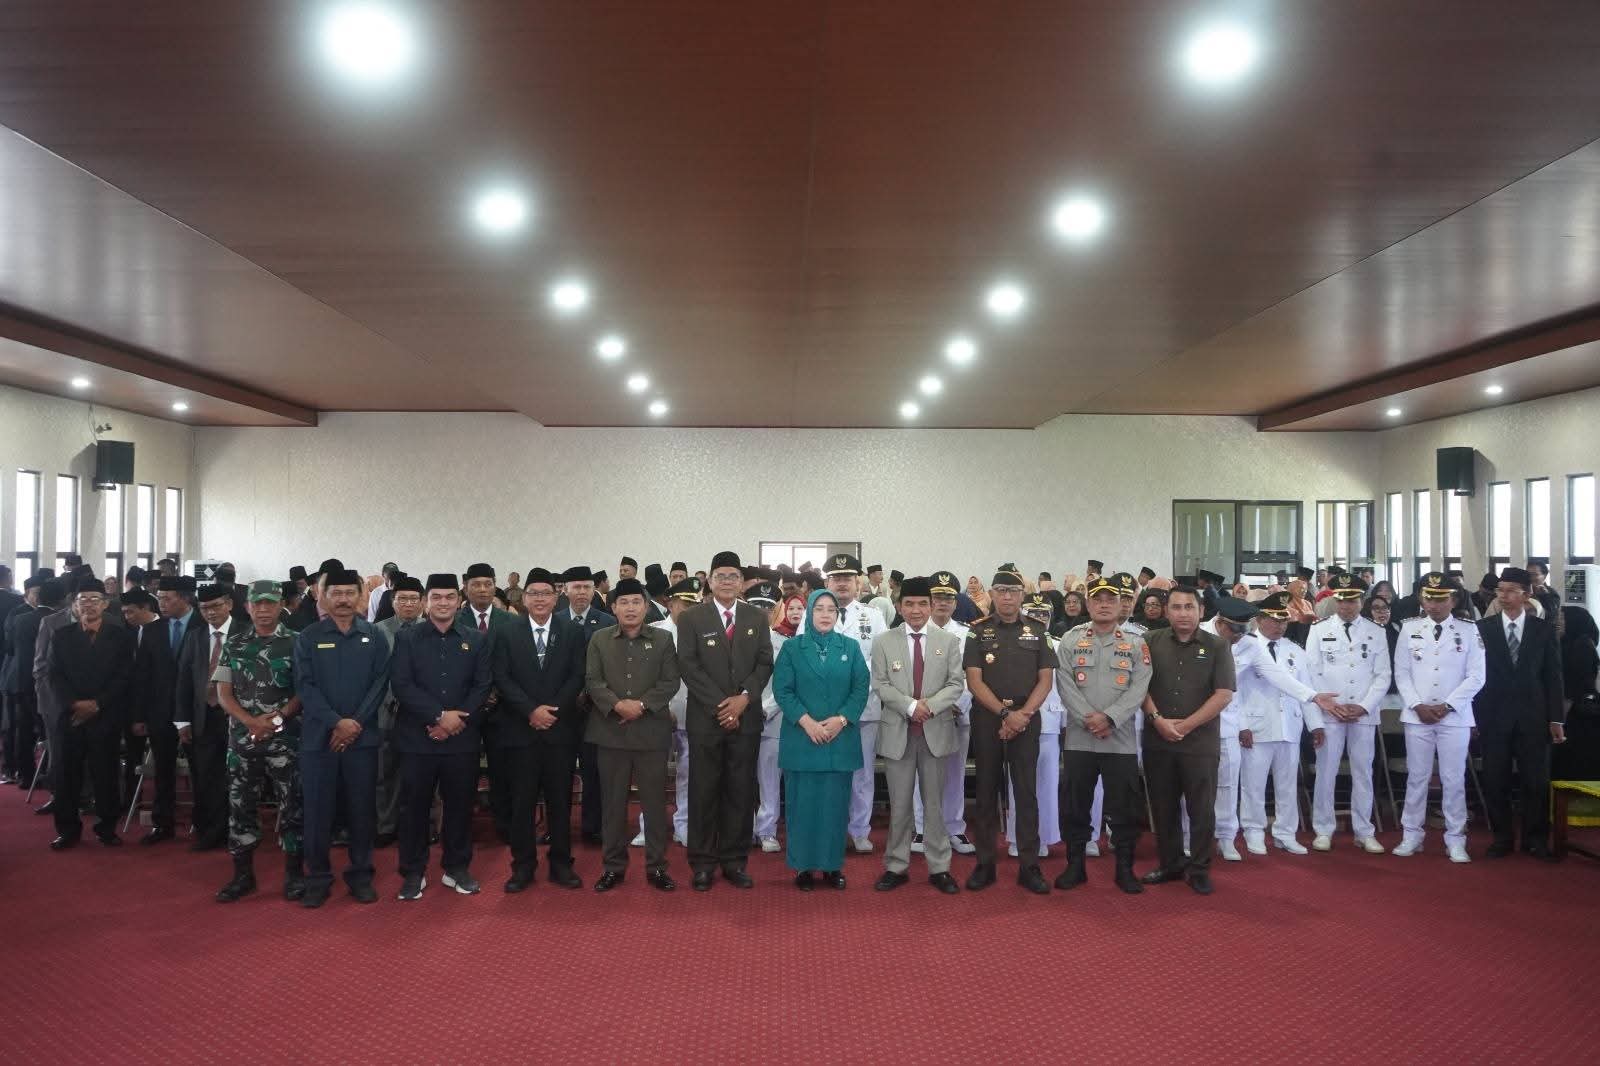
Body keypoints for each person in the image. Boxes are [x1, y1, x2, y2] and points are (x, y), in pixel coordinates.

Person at [674, 552, 775, 891]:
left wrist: (743, 699)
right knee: (703, 791)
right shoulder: (691, 618)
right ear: (710, 580)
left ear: (742, 582)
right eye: (721, 575)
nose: (727, 581)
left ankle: (734, 861)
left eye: (733, 576)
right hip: (707, 719)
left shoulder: (756, 616)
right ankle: (702, 863)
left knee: (740, 791)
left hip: (745, 719)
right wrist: (723, 707)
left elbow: (764, 663)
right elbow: (688, 666)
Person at [293, 568, 391, 908]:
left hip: (362, 741)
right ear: (323, 596)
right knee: (317, 812)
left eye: (350, 592)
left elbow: (380, 683)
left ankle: (361, 875)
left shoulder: (374, 636)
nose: (344, 599)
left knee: (361, 811)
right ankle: (317, 878)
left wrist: (353, 724)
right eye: (336, 593)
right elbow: (305, 686)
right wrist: (336, 722)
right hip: (318, 741)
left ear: (361, 596)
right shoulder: (308, 637)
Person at [391, 574, 493, 900]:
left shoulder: (475, 639)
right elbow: (402, 684)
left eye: (450, 597)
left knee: (460, 806)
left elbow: (482, 685)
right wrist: (438, 717)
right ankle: (413, 872)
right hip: (417, 738)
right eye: (436, 597)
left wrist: (454, 720)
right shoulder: (407, 638)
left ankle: (457, 868)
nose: (444, 603)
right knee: (414, 808)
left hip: (461, 738)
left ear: (459, 601)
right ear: (426, 602)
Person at [489, 568, 586, 891]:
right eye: (534, 594)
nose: (540, 599)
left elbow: (577, 675)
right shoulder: (506, 631)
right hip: (521, 730)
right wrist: (531, 710)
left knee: (560, 802)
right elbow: (501, 677)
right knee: (522, 803)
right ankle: (523, 866)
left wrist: (551, 710)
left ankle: (561, 864)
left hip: (559, 730)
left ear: (556, 597)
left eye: (546, 593)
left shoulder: (571, 631)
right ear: (524, 598)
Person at [1056, 573, 1152, 894]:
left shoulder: (1136, 643)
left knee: (1124, 809)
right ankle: (1075, 865)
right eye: (1098, 599)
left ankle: (1124, 868)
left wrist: (1110, 718)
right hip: (1079, 738)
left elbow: (1140, 687)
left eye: (1112, 599)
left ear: (1123, 604)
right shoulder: (1070, 640)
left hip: (1119, 740)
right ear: (1088, 604)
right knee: (1075, 806)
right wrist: (1089, 718)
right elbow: (1064, 684)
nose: (1105, 605)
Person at [963, 570, 1057, 894]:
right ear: (991, 593)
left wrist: (1022, 715)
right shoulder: (977, 631)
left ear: (1022, 595)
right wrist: (1005, 715)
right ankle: (985, 864)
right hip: (988, 720)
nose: (1007, 596)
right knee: (986, 793)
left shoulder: (1038, 631)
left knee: (1026, 793)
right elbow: (974, 681)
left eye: (1013, 591)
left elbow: (1046, 680)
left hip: (1026, 721)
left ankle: (1029, 866)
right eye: (1001, 590)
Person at [870, 577, 965, 895]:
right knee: (899, 805)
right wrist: (911, 707)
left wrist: (930, 707)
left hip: (935, 732)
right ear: (899, 607)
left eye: (922, 604)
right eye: (909, 604)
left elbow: (955, 683)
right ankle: (896, 865)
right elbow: (880, 684)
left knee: (934, 804)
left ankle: (940, 867)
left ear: (931, 606)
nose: (916, 610)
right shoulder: (884, 641)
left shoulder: (948, 641)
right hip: (898, 733)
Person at [585, 578, 681, 893]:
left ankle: (657, 867)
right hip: (610, 734)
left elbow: (670, 681)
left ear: (646, 606)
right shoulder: (599, 639)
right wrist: (617, 705)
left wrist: (640, 706)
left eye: (636, 602)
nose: (630, 608)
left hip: (650, 734)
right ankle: (613, 867)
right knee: (613, 805)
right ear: (613, 607)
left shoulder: (663, 639)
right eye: (623, 603)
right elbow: (593, 681)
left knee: (654, 805)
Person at [1139, 586, 1237, 895]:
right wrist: (1158, 720)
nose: (1183, 613)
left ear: (1201, 611)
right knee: (1163, 807)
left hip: (1200, 743)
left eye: (1189, 607)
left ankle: (1199, 868)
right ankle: (1170, 864)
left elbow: (1223, 694)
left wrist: (1185, 725)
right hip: (1158, 739)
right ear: (1166, 611)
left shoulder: (1218, 646)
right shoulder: (1148, 641)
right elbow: (1138, 686)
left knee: (1202, 808)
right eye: (1176, 607)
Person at [212, 580, 305, 902]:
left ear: (281, 605)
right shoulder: (234, 644)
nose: (264, 609)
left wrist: (276, 720)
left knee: (293, 807)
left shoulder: (297, 643)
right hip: (243, 741)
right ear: (247, 607)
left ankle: (294, 875)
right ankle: (243, 876)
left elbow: (303, 691)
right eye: (257, 603)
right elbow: (223, 694)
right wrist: (252, 722)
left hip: (286, 741)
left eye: (270, 603)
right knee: (240, 807)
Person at [773, 589, 869, 891]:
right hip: (803, 740)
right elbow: (782, 690)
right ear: (809, 613)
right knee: (802, 807)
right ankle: (803, 867)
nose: (825, 614)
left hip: (839, 740)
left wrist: (842, 719)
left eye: (831, 609)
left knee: (834, 808)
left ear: (837, 615)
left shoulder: (850, 647)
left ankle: (831, 866)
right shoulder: (792, 648)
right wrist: (807, 723)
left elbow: (861, 688)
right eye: (819, 609)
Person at [1391, 572, 1487, 863]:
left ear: (1453, 600)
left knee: (1453, 778)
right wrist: (1417, 704)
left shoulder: (1468, 630)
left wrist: (1448, 706)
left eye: (1440, 599)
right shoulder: (1409, 628)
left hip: (1454, 717)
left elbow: (1477, 676)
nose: (1433, 605)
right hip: (1417, 715)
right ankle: (1411, 834)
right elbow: (1401, 673)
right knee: (1417, 777)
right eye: (1428, 599)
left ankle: (1455, 838)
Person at [1473, 566, 1565, 860]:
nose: (1503, 596)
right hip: (1493, 715)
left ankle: (1535, 838)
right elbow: (1473, 676)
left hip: (1534, 716)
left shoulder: (1543, 629)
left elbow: (1553, 677)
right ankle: (1501, 837)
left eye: (1511, 591)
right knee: (1495, 779)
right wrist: (1474, 718)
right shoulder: (1483, 629)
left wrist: (1556, 718)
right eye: (1500, 591)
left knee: (1535, 781)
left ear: (1526, 595)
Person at [1304, 574, 1392, 854]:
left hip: (1362, 713)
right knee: (1326, 772)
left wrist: (1364, 706)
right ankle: (1323, 829)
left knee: (1363, 772)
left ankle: (1364, 831)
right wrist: (1331, 706)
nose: (1346, 606)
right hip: (1331, 712)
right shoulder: (1319, 630)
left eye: (1352, 600)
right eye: (1341, 600)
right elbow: (1311, 672)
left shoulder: (1376, 631)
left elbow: (1383, 674)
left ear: (1361, 601)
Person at [46, 581, 135, 849]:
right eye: (82, 599)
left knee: (105, 775)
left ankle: (106, 828)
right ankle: (67, 830)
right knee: (67, 776)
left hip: (105, 716)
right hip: (70, 716)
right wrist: (74, 704)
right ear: (74, 605)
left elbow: (124, 676)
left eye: (94, 599)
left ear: (105, 604)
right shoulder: (61, 635)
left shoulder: (120, 636)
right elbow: (54, 675)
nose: (88, 604)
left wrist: (97, 704)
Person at [1237, 592, 1319, 856]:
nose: (1280, 625)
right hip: (1256, 726)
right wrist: (1241, 725)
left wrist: (1315, 725)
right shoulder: (1245, 646)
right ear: (1260, 619)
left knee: (1287, 784)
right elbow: (1234, 690)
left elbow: (1305, 688)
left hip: (1289, 725)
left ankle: (1286, 833)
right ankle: (1254, 831)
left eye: (1284, 620)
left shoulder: (1294, 650)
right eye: (1274, 620)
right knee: (1253, 784)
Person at [915, 571, 977, 856]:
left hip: (955, 713)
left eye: (948, 598)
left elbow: (973, 676)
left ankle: (953, 827)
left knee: (954, 773)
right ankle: (921, 827)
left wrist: (955, 704)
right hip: (922, 714)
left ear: (956, 602)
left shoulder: (968, 634)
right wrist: (923, 706)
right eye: (937, 597)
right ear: (929, 601)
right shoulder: (914, 631)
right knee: (920, 773)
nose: (942, 603)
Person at [823, 554, 882, 853]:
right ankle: (831, 830)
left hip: (865, 705)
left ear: (857, 582)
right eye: (836, 578)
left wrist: (855, 690)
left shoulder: (873, 616)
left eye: (847, 577)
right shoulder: (814, 613)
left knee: (862, 773)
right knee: (829, 772)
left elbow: (879, 660)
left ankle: (859, 830)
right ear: (827, 583)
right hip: (825, 709)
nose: (842, 583)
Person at [175, 584, 239, 851]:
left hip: (237, 717)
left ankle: (238, 830)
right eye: (204, 608)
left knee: (237, 778)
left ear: (229, 605)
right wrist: (182, 720)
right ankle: (210, 831)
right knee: (206, 776)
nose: (210, 613)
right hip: (203, 716)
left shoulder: (245, 633)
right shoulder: (195, 636)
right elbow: (183, 680)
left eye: (216, 606)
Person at [560, 565, 616, 846]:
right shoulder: (554, 620)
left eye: (586, 587)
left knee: (595, 771)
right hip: (562, 710)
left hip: (596, 710)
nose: (581, 592)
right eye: (576, 587)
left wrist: (592, 694)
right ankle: (558, 828)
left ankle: (594, 826)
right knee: (559, 772)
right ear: (565, 590)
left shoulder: (607, 622)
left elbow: (613, 667)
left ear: (594, 590)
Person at [643, 576, 700, 850]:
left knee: (688, 774)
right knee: (652, 775)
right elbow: (645, 678)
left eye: (694, 606)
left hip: (692, 714)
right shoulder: (653, 633)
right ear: (670, 603)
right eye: (685, 605)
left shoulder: (703, 633)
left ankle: (683, 825)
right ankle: (648, 827)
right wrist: (661, 708)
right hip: (658, 714)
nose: (689, 611)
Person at [1007, 594, 1064, 859]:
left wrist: (1066, 722)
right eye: (1033, 613)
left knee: (1047, 785)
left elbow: (1066, 686)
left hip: (1049, 722)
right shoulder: (1012, 642)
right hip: (1018, 721)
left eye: (1044, 614)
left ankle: (1045, 837)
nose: (1039, 618)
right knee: (1018, 785)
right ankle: (1017, 837)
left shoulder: (1060, 645)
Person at [372, 576, 425, 848]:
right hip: (386, 712)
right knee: (385, 772)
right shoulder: (378, 632)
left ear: (422, 602)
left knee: (422, 774)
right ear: (392, 602)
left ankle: (422, 825)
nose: (408, 604)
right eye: (402, 598)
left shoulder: (432, 629)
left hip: (422, 714)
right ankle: (385, 825)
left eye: (413, 599)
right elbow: (373, 675)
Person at [750, 582, 789, 854]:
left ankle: (767, 830)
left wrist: (764, 709)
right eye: (756, 606)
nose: (762, 612)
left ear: (776, 611)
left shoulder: (784, 645)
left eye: (768, 607)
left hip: (771, 720)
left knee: (770, 779)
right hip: (738, 718)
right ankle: (743, 828)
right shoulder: (733, 640)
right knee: (739, 778)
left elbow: (785, 685)